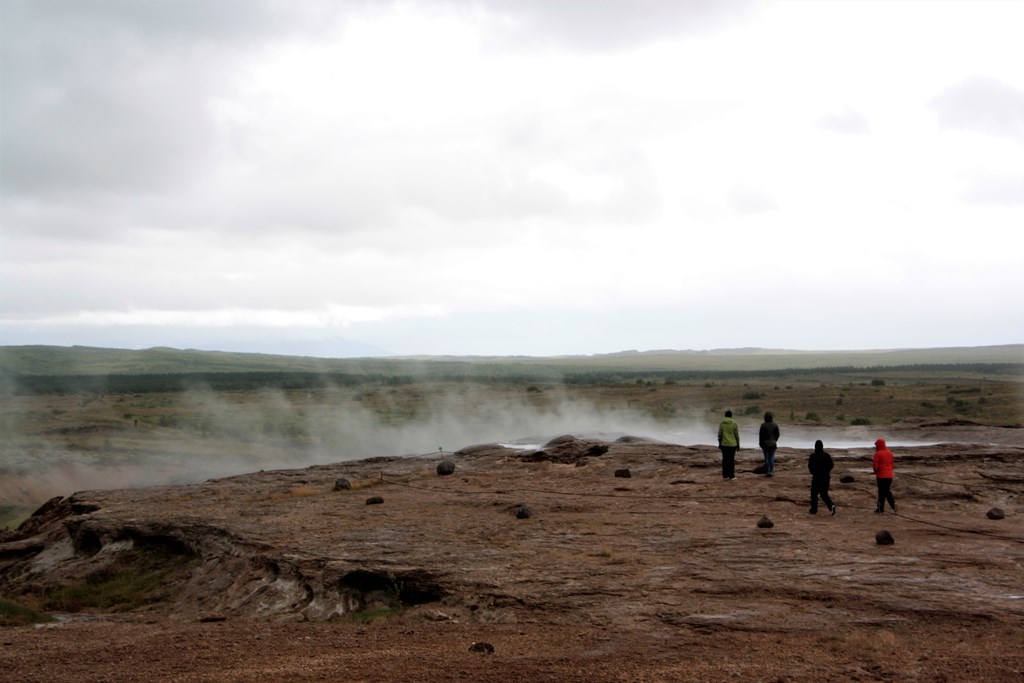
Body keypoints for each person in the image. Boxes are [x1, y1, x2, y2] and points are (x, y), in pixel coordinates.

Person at [807, 439, 836, 515]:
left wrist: (813, 472)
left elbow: (810, 466)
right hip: (826, 477)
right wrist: (827, 470)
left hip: (816, 477)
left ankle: (814, 510)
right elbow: (831, 465)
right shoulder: (826, 455)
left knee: (814, 494)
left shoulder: (813, 456)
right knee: (824, 493)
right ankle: (831, 505)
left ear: (815, 447)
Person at [873, 437, 896, 513]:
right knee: (886, 490)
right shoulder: (890, 453)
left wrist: (876, 471)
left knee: (881, 492)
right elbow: (892, 464)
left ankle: (881, 508)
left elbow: (875, 465)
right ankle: (893, 505)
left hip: (881, 476)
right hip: (889, 475)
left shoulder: (878, 453)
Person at [717, 410, 740, 480]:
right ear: (731, 416)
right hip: (733, 445)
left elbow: (719, 435)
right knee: (731, 460)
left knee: (725, 460)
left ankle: (725, 476)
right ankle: (731, 475)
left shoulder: (722, 423)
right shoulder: (734, 423)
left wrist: (720, 443)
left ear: (725, 415)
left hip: (724, 444)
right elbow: (736, 435)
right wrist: (738, 445)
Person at [758, 411, 780, 477]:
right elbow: (777, 434)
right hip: (773, 444)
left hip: (765, 444)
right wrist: (774, 440)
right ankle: (771, 471)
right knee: (771, 458)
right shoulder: (775, 425)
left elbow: (760, 435)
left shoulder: (763, 425)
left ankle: (767, 471)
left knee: (767, 458)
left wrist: (760, 443)